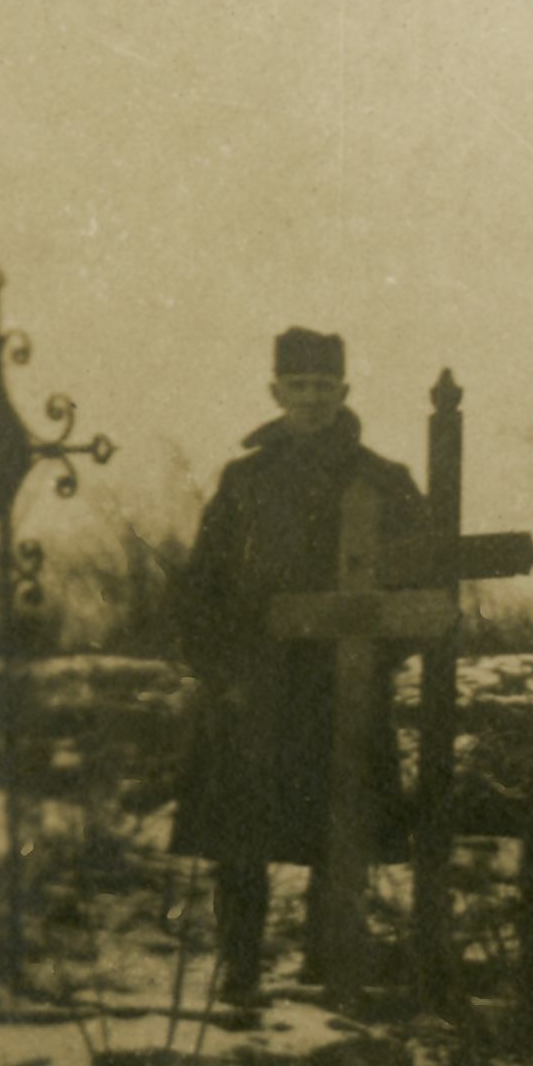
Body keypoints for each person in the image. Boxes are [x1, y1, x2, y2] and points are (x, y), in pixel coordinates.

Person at [170, 327, 429, 1006]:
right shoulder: (244, 482)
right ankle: (240, 970)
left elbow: (425, 593)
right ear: (276, 392)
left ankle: (327, 969)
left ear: (344, 391)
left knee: (339, 830)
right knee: (240, 838)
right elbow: (201, 588)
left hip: (340, 686)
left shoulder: (384, 481)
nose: (311, 398)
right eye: (298, 386)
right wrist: (221, 670)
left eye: (323, 386)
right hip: (253, 688)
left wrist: (372, 660)